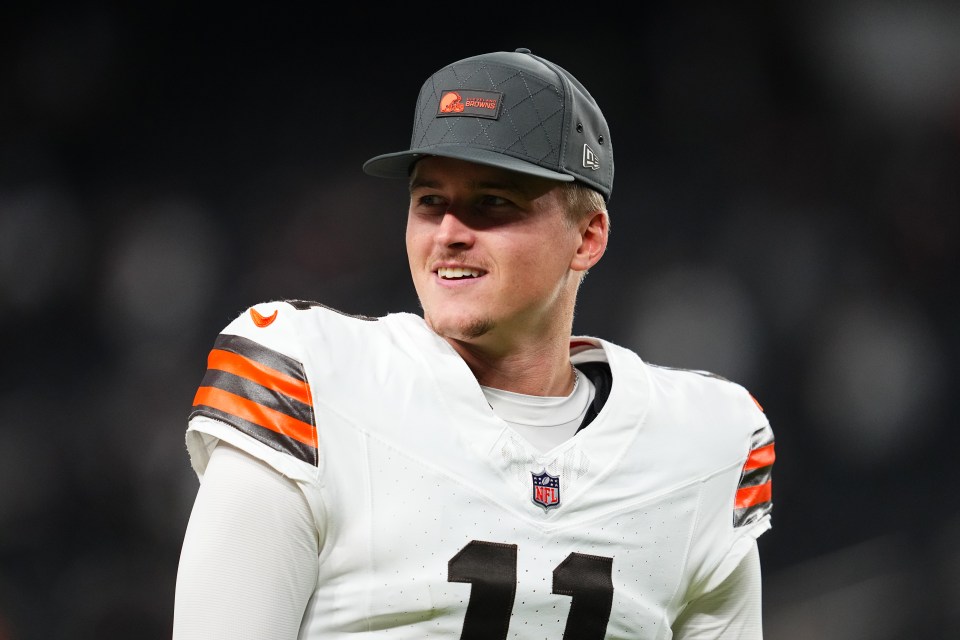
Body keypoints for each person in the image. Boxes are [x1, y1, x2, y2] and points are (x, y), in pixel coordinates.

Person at [173, 47, 776, 639]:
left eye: (493, 203)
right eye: (430, 201)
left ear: (587, 237)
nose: (450, 234)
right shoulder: (313, 382)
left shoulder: (700, 446)